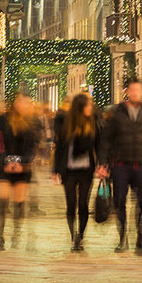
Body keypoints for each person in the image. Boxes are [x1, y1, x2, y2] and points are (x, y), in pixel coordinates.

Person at [97, 78, 142, 253]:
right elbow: (106, 139)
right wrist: (103, 163)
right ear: (127, 91)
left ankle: (141, 241)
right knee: (120, 202)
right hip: (121, 165)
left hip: (140, 165)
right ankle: (122, 239)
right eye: (132, 90)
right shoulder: (117, 113)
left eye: (138, 90)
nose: (135, 93)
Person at [51, 93, 99, 252]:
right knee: (71, 204)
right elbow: (59, 148)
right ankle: (73, 235)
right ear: (80, 107)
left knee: (83, 204)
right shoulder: (66, 124)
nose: (90, 108)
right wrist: (55, 170)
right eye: (88, 105)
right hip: (69, 170)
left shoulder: (93, 123)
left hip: (86, 169)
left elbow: (99, 145)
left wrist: (103, 164)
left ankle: (81, 237)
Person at [0, 94, 40, 250]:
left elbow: (32, 147)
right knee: (2, 201)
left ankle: (16, 232)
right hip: (5, 167)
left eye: (26, 102)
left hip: (22, 169)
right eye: (20, 101)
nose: (23, 104)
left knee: (18, 204)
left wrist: (22, 162)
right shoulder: (4, 120)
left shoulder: (32, 123)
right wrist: (4, 162)